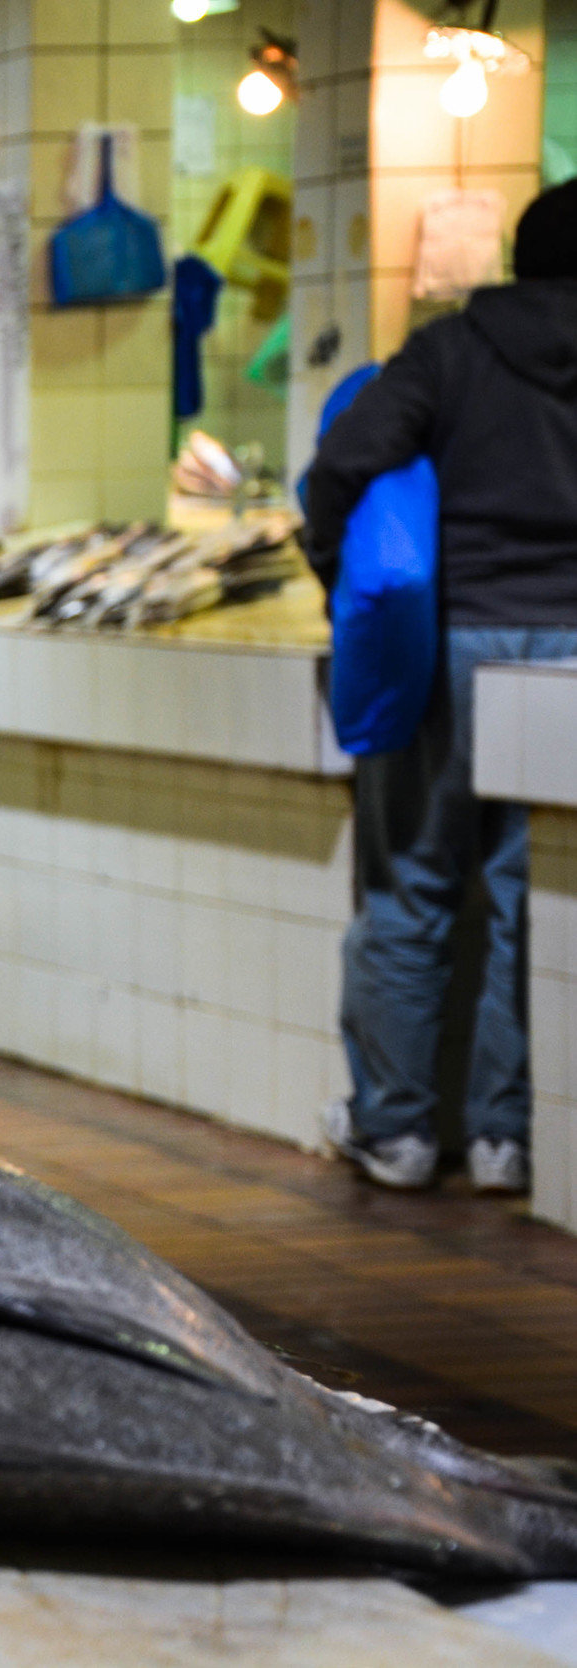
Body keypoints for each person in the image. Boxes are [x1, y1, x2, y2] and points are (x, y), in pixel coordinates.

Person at [301, 180, 577, 1197]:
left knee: (412, 879)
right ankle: (510, 1140)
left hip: (455, 643)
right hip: (575, 658)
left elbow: (343, 460)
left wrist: (338, 574)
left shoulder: (451, 351)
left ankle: (399, 1131)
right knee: (528, 896)